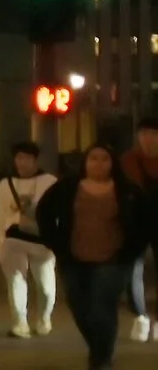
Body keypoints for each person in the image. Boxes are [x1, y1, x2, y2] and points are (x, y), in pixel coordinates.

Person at [40, 142, 149, 370]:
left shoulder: (127, 190)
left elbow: (145, 222)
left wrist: (132, 250)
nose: (98, 164)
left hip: (114, 259)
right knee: (80, 307)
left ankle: (102, 358)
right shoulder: (68, 187)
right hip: (74, 258)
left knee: (102, 308)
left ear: (112, 163)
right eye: (93, 158)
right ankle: (97, 348)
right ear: (85, 162)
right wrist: (55, 242)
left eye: (104, 159)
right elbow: (44, 211)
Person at [0, 140, 62, 337]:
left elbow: (58, 213)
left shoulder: (50, 181)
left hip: (41, 240)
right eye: (19, 158)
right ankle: (19, 322)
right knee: (16, 280)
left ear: (35, 160)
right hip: (13, 238)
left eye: (27, 158)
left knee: (45, 287)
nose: (22, 162)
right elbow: (0, 215)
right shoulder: (5, 183)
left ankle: (44, 317)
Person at [119, 117, 158, 342]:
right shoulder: (128, 160)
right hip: (136, 222)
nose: (148, 139)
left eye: (153, 134)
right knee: (132, 271)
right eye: (144, 134)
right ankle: (141, 316)